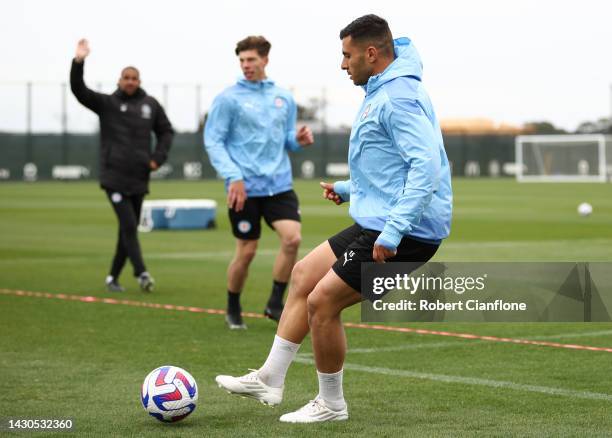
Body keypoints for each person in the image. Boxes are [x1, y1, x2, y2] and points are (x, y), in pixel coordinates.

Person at [215, 15, 452, 423]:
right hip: (382, 219)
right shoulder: (383, 87)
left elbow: (426, 168)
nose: (343, 65)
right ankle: (270, 379)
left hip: (408, 229)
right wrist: (350, 189)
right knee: (305, 273)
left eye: (347, 55)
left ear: (372, 54)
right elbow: (388, 162)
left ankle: (331, 404)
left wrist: (393, 230)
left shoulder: (397, 96)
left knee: (322, 302)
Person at [204, 36, 314, 329]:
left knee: (293, 239)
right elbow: (213, 141)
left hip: (278, 184)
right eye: (241, 60)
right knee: (248, 250)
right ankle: (232, 305)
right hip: (244, 188)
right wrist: (233, 176)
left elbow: (286, 138)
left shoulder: (283, 97)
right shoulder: (228, 99)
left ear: (265, 59)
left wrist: (298, 140)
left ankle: (275, 303)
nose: (246, 65)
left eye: (251, 60)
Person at [70, 39, 174, 293]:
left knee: (125, 232)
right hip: (114, 176)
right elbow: (79, 90)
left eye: (134, 78)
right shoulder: (108, 104)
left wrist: (157, 159)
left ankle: (112, 278)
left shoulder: (150, 105)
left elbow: (167, 131)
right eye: (126, 77)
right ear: (119, 80)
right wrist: (78, 62)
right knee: (129, 225)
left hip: (139, 177)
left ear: (139, 81)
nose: (129, 81)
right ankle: (142, 272)